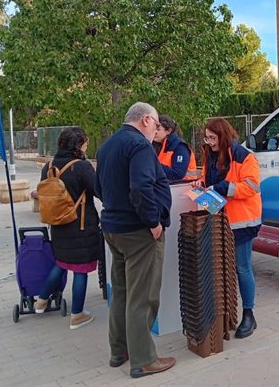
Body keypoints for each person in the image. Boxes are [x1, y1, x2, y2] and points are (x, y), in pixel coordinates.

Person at [95, 102, 175, 379]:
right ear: (144, 120)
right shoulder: (140, 146)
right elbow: (141, 187)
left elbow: (99, 186)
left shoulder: (107, 146)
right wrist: (152, 222)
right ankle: (143, 360)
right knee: (143, 296)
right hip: (139, 232)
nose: (156, 129)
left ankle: (119, 350)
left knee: (122, 292)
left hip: (113, 228)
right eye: (155, 123)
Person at [194, 117, 262, 339]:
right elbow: (208, 180)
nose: (209, 142)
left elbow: (251, 186)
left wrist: (222, 187)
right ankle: (227, 315)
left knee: (242, 268)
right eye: (206, 137)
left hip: (242, 222)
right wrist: (201, 185)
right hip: (218, 219)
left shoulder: (244, 157)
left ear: (223, 136)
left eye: (212, 138)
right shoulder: (210, 156)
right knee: (224, 269)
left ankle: (249, 315)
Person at [34, 127, 100, 330]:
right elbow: (98, 190)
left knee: (61, 262)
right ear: (78, 145)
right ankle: (77, 315)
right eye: (86, 142)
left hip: (58, 224)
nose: (87, 146)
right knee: (80, 269)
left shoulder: (49, 166)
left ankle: (41, 301)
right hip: (80, 225)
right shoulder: (81, 167)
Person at [152, 114, 199, 183]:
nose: (155, 132)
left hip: (184, 186)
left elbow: (178, 174)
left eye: (158, 129)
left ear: (168, 131)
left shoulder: (180, 147)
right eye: (154, 129)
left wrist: (152, 164)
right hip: (169, 185)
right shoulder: (158, 145)